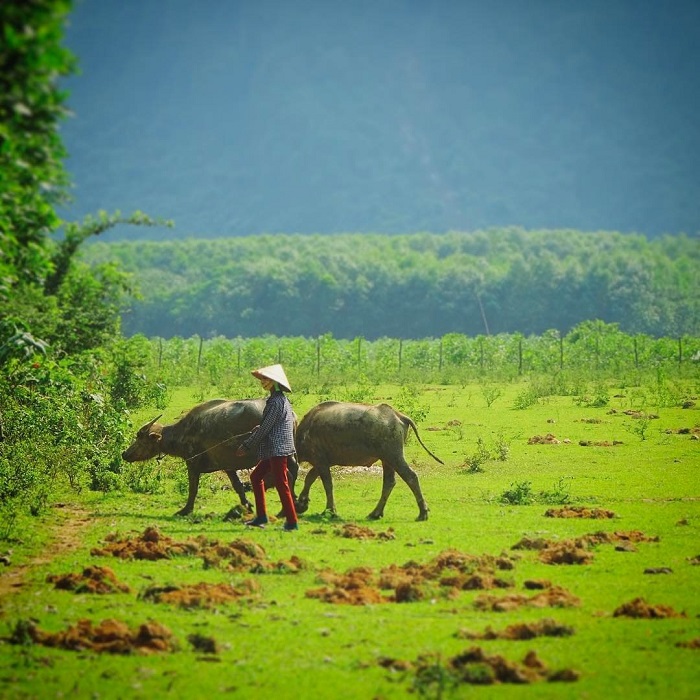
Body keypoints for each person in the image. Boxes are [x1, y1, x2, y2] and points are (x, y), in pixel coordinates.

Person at [236, 364, 298, 531]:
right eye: (262, 379)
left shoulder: (275, 402)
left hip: (277, 449)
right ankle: (262, 516)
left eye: (266, 379)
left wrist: (247, 445)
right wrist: (260, 428)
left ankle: (292, 522)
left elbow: (265, 428)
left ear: (274, 382)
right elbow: (270, 425)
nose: (262, 382)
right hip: (275, 448)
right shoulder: (279, 399)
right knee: (256, 477)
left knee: (281, 483)